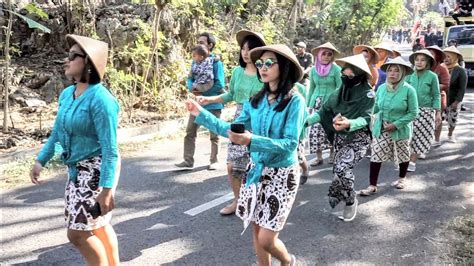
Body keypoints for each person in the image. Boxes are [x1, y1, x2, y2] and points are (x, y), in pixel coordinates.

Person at [186, 44, 305, 265]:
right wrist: (201, 113)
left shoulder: (295, 101)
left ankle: (288, 261)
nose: (262, 67)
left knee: (267, 239)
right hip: (256, 171)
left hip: (282, 175)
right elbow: (232, 130)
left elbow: (290, 144)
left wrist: (252, 140)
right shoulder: (255, 101)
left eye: (269, 62)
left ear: (285, 66)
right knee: (256, 227)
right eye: (259, 63)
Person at [30, 34, 121, 265]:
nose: (66, 60)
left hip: (95, 174)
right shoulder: (66, 95)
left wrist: (107, 189)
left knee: (78, 234)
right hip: (75, 173)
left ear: (88, 61)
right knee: (98, 226)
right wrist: (42, 159)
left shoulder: (102, 100)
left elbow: (110, 149)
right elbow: (59, 132)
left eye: (73, 56)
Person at [197, 30, 266, 215]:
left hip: (260, 122)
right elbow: (230, 95)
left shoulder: (265, 72)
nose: (245, 52)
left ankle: (258, 200)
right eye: (243, 49)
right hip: (239, 121)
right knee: (232, 166)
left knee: (257, 166)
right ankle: (238, 201)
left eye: (250, 49)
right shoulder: (237, 71)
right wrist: (209, 100)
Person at [306, 54, 375, 222]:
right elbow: (323, 112)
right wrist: (304, 122)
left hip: (358, 138)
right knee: (338, 173)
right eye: (344, 75)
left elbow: (366, 118)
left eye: (350, 76)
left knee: (342, 169)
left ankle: (351, 201)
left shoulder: (368, 95)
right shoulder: (338, 93)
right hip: (340, 138)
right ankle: (348, 198)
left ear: (359, 76)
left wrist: (349, 123)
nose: (346, 78)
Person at [360, 57, 418, 195]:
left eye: (396, 71)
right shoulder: (381, 88)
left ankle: (402, 178)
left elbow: (413, 113)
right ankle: (372, 185)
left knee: (403, 154)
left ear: (403, 73)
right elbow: (375, 107)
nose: (392, 74)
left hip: (401, 128)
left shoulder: (409, 90)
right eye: (390, 71)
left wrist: (396, 124)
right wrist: (367, 117)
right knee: (376, 154)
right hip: (381, 127)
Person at [175, 32, 225, 170]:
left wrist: (205, 93)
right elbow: (190, 78)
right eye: (198, 41)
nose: (199, 44)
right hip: (197, 102)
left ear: (210, 45)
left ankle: (214, 160)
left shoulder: (216, 63)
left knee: (215, 133)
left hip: (213, 102)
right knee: (190, 132)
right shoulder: (195, 61)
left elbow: (219, 83)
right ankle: (187, 160)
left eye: (202, 42)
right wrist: (192, 88)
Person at [406, 50, 441, 172]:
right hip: (409, 110)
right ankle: (407, 158)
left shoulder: (432, 76)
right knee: (408, 136)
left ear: (427, 63)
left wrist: (438, 112)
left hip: (426, 110)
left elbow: (436, 95)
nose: (419, 62)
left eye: (422, 60)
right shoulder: (408, 75)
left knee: (419, 136)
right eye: (417, 60)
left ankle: (412, 161)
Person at [307, 42, 341, 167]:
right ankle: (318, 157)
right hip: (316, 103)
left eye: (329, 54)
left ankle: (332, 154)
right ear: (319, 55)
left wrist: (336, 102)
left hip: (331, 104)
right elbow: (311, 87)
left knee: (331, 129)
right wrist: (308, 104)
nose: (326, 57)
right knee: (315, 131)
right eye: (324, 54)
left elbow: (339, 87)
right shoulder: (313, 70)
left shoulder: (336, 69)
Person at [442, 46, 467, 143]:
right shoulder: (440, 68)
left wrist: (457, 101)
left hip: (453, 99)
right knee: (438, 119)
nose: (446, 59)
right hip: (441, 98)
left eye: (449, 56)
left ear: (454, 57)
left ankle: (450, 134)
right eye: (444, 56)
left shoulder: (460, 71)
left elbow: (462, 88)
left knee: (452, 118)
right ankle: (436, 137)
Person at [426, 45, 451, 147]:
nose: (430, 55)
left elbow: (446, 84)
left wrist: (432, 86)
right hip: (423, 97)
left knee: (438, 118)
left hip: (438, 97)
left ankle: (436, 139)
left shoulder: (441, 67)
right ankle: (425, 140)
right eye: (429, 53)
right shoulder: (423, 65)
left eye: (432, 53)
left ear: (437, 55)